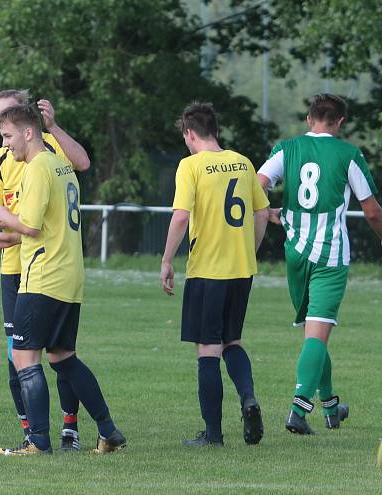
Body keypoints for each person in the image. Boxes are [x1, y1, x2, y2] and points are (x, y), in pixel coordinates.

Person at [0, 104, 125, 455]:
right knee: (63, 357)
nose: (6, 144)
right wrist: (12, 238)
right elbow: (47, 226)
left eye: (8, 136)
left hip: (42, 275)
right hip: (69, 274)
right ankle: (108, 431)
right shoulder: (62, 165)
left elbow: (29, 224)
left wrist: (2, 217)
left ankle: (38, 441)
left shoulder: (37, 167)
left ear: (29, 132)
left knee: (24, 358)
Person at [257, 94, 382, 434]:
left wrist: (273, 214)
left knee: (314, 332)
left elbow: (256, 185)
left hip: (295, 252)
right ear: (340, 122)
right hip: (330, 255)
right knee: (317, 333)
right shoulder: (348, 154)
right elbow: (371, 211)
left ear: (309, 118)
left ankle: (330, 407)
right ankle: (299, 409)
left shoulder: (287, 149)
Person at [160, 102, 269, 447]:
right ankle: (248, 397)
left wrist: (166, 260)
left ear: (190, 134)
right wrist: (248, 250)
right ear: (216, 131)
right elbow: (262, 213)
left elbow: (180, 216)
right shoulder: (243, 161)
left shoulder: (191, 165)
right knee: (231, 341)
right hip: (241, 269)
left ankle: (213, 434)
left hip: (207, 270)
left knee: (208, 350)